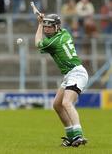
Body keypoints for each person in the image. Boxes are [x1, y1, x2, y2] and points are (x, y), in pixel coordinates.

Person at [35, 13, 88, 147]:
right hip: (69, 74)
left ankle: (78, 134)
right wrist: (45, 21)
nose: (47, 29)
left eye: (49, 27)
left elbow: (37, 43)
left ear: (57, 27)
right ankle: (70, 136)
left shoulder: (52, 42)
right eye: (45, 27)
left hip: (77, 73)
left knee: (66, 102)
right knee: (57, 105)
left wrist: (40, 24)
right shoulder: (64, 32)